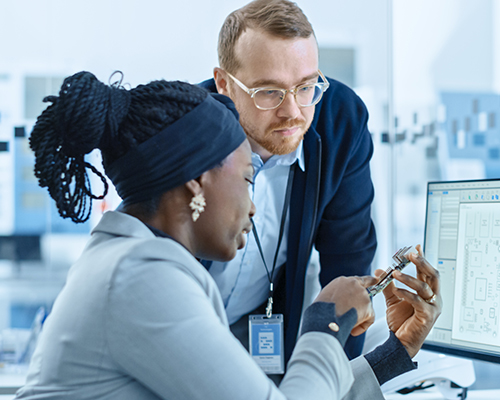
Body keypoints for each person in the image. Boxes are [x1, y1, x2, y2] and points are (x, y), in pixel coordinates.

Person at [13, 70, 441, 400]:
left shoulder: (138, 266)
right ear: (197, 184)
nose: (253, 205)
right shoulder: (141, 281)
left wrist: (393, 354)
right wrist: (324, 322)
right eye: (247, 179)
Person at [199, 0, 377, 362]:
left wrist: (341, 383)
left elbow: (348, 271)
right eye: (269, 91)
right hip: (177, 324)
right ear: (224, 84)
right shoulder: (182, 128)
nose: (293, 111)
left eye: (306, 86)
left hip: (260, 330)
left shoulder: (341, 121)